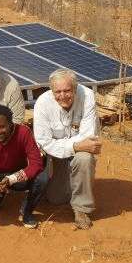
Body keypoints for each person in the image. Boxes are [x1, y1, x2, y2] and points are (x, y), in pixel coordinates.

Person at [33, 68, 101, 230]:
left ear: (75, 88)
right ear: (51, 91)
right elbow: (44, 142)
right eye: (58, 92)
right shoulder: (43, 103)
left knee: (84, 158)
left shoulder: (87, 96)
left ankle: (81, 209)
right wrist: (75, 145)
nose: (63, 96)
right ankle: (72, 183)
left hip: (79, 150)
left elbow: (89, 136)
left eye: (67, 90)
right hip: (56, 155)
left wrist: (74, 146)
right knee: (56, 199)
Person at [0, 104, 48, 229]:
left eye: (2, 127)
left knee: (41, 179)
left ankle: (27, 211)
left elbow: (36, 163)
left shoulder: (23, 132)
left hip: (16, 175)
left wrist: (11, 179)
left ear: (10, 123)